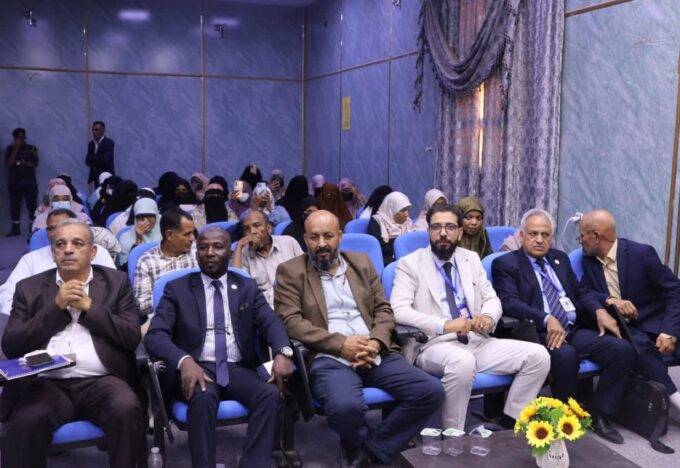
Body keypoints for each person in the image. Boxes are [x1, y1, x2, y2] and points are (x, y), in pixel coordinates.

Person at [274, 210, 444, 466]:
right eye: (314, 237)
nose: (321, 244)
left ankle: (372, 450)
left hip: (374, 351)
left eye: (328, 236)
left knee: (430, 392)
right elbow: (291, 322)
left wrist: (375, 342)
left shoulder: (361, 263)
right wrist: (342, 344)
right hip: (328, 355)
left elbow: (383, 310)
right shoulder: (290, 271)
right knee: (345, 408)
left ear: (340, 236)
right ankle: (359, 443)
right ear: (305, 239)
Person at [391, 203, 550, 430]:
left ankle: (510, 424)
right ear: (428, 231)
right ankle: (452, 435)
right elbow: (398, 310)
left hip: (476, 340)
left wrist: (487, 317)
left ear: (459, 232)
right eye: (436, 227)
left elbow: (492, 298)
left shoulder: (471, 259)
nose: (443, 233)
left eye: (449, 227)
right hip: (433, 345)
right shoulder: (410, 264)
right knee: (462, 362)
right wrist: (444, 324)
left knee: (539, 356)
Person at [144, 227, 294, 468]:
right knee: (202, 398)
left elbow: (271, 323)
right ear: (196, 253)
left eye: (217, 247)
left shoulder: (246, 286)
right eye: (203, 247)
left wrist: (282, 352)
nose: (209, 253)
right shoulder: (177, 289)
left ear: (229, 252)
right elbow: (155, 335)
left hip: (237, 368)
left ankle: (252, 463)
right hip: (197, 367)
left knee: (269, 395)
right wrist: (184, 360)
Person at [1, 219, 145, 467]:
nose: (68, 249)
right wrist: (55, 308)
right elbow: (12, 345)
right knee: (26, 420)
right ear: (53, 253)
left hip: (102, 380)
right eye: (60, 244)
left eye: (77, 243)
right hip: (47, 383)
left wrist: (90, 308)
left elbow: (131, 336)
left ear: (92, 252)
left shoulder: (116, 283)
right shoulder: (29, 288)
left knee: (126, 408)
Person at [492, 208, 636, 443]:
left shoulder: (559, 258)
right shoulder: (506, 263)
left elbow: (579, 291)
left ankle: (600, 413)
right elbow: (509, 302)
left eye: (545, 234)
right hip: (536, 332)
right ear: (522, 235)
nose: (540, 240)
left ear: (552, 237)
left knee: (622, 349)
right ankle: (562, 419)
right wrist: (546, 318)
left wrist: (600, 309)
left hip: (572, 328)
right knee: (566, 355)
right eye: (533, 234)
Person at [579, 209, 680, 412]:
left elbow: (675, 290)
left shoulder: (640, 254)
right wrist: (611, 300)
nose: (580, 241)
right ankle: (675, 398)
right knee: (637, 345)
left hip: (656, 322)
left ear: (596, 236)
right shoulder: (588, 260)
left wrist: (669, 332)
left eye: (582, 235)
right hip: (625, 329)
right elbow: (583, 292)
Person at [0, 209, 115, 316]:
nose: (56, 232)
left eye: (63, 226)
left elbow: (115, 293)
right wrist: (50, 310)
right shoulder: (31, 260)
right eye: (51, 228)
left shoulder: (98, 253)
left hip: (93, 320)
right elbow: (7, 299)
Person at [133, 207, 197, 318]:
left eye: (193, 232)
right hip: (164, 316)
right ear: (169, 235)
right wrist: (172, 297)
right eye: (187, 234)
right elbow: (141, 306)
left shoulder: (198, 251)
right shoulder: (146, 261)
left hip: (197, 313)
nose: (193, 238)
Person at [231, 210, 302, 307]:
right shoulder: (242, 253)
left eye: (257, 225)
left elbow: (306, 274)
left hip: (294, 299)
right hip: (263, 307)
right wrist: (239, 246)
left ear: (268, 228)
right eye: (246, 229)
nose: (252, 232)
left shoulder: (289, 242)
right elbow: (236, 286)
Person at [5, 128, 39, 236]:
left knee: (32, 205)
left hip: (29, 182)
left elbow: (34, 164)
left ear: (24, 138)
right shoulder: (10, 149)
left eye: (21, 138)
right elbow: (8, 164)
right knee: (14, 205)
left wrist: (20, 162)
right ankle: (15, 228)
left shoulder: (32, 148)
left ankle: (33, 227)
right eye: (17, 138)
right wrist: (16, 149)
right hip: (14, 182)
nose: (19, 140)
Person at [367, 191, 415, 265]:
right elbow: (378, 250)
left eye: (407, 209)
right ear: (391, 209)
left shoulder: (408, 222)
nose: (406, 214)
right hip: (387, 262)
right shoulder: (377, 222)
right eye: (402, 210)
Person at [117, 198, 161, 268]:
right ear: (135, 218)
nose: (146, 220)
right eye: (141, 216)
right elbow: (125, 269)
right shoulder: (125, 238)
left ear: (156, 217)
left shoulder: (166, 234)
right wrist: (138, 240)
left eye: (150, 215)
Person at [85, 121, 115, 190]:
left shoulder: (108, 143)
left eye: (97, 130)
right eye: (93, 130)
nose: (94, 132)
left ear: (103, 130)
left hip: (107, 177)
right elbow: (87, 161)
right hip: (95, 177)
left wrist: (93, 160)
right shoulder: (91, 144)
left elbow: (105, 160)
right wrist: (97, 159)